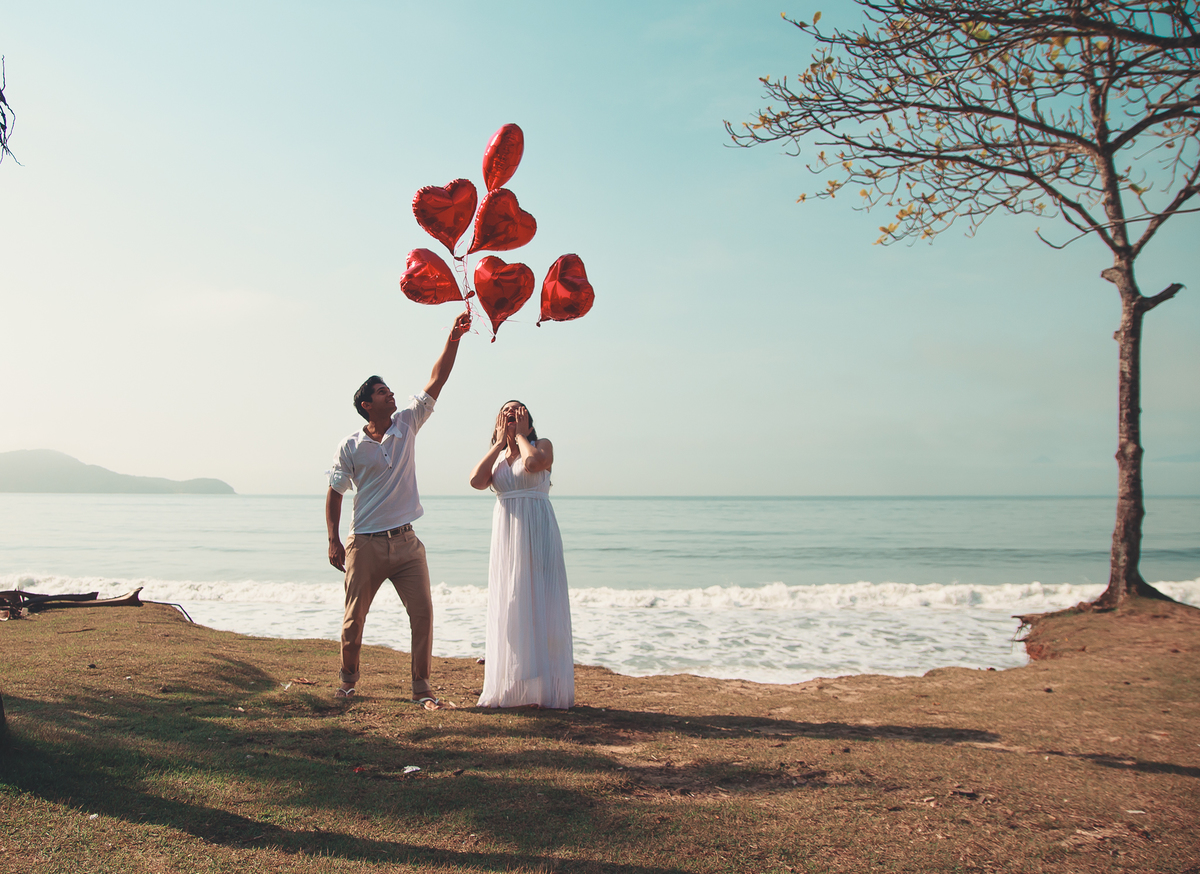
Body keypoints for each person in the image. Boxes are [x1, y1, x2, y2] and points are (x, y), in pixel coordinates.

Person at [326, 311, 472, 702]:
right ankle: (347, 683)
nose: (391, 394)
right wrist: (333, 540)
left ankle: (422, 691)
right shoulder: (350, 445)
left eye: (390, 390)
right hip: (366, 545)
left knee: (423, 615)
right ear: (365, 404)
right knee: (353, 621)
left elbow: (436, 380)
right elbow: (335, 491)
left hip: (407, 545)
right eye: (381, 392)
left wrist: (454, 337)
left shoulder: (407, 423)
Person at [468, 400, 574, 709]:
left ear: (527, 418)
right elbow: (476, 481)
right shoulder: (499, 457)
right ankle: (514, 688)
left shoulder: (542, 446)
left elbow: (531, 465)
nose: (512, 414)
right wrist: (501, 443)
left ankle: (544, 690)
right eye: (506, 410)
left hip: (538, 530)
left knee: (542, 601)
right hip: (507, 536)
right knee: (511, 603)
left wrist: (523, 437)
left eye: (518, 410)